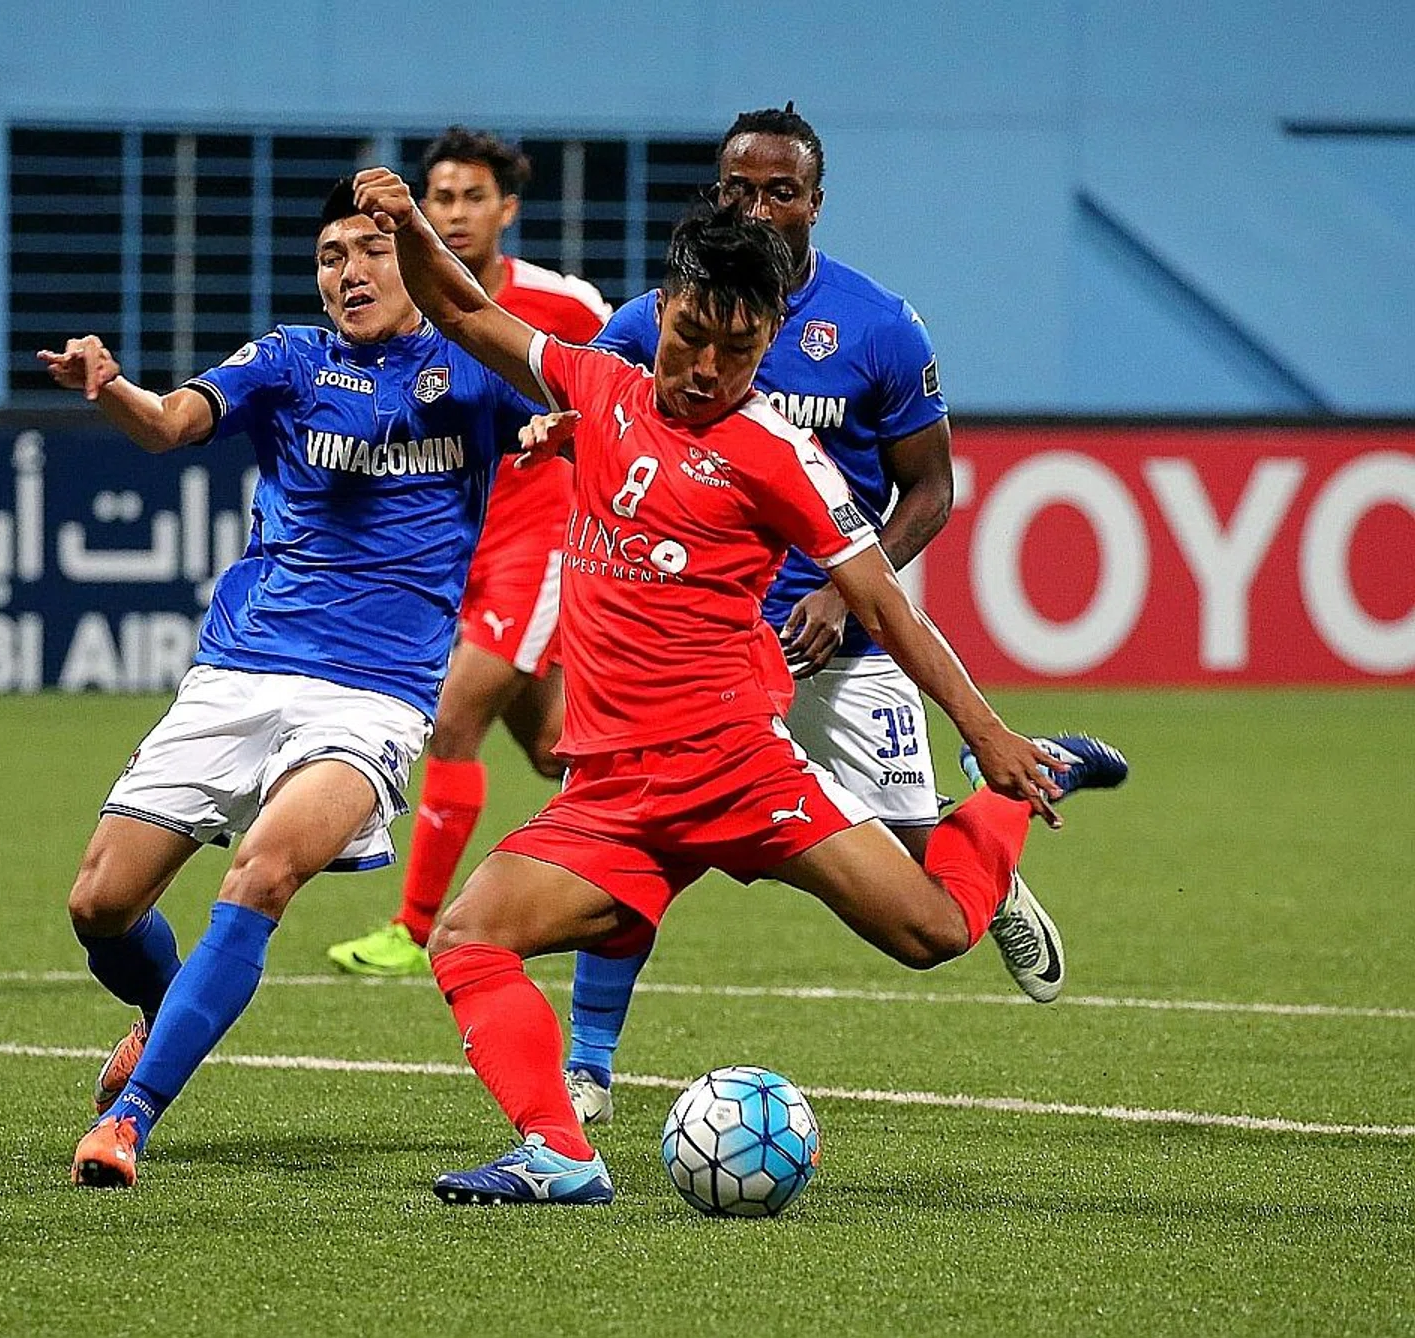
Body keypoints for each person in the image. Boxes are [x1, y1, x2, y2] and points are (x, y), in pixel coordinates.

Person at [348, 166, 1127, 1205]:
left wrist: (985, 733)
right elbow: (456, 304)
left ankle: (1015, 794)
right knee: (468, 935)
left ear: (766, 346)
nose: (708, 368)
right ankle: (561, 1153)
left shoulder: (780, 455)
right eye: (691, 339)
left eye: (738, 349)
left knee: (936, 934)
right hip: (615, 793)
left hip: (736, 772)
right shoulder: (597, 384)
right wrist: (403, 226)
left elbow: (888, 607)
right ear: (661, 311)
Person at [564, 104, 1057, 1128]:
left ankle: (990, 868)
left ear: (815, 202)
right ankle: (589, 1066)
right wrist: (547, 430)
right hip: (702, 653)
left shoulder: (878, 325)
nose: (759, 206)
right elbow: (601, 406)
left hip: (842, 640)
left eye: (780, 190)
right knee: (636, 841)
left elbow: (930, 491)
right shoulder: (662, 315)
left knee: (918, 861)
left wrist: (840, 589)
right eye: (739, 189)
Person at [45, 179, 542, 1189]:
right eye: (330, 255)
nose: (349, 271)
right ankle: (163, 1008)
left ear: (412, 259)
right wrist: (113, 388)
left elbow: (568, 403)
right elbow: (174, 425)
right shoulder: (287, 358)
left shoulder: (476, 366)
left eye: (370, 249)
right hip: (241, 669)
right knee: (99, 905)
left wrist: (547, 435)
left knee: (263, 874)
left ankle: (131, 1122)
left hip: (376, 693)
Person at [327, 127, 610, 979]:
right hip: (460, 543)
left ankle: (414, 930)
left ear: (507, 210)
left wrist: (574, 438)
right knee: (560, 748)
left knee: (452, 715)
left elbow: (623, 384)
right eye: (440, 196)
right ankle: (653, 827)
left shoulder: (566, 304)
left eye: (471, 197)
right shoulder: (403, 299)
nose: (454, 213)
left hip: (545, 540)